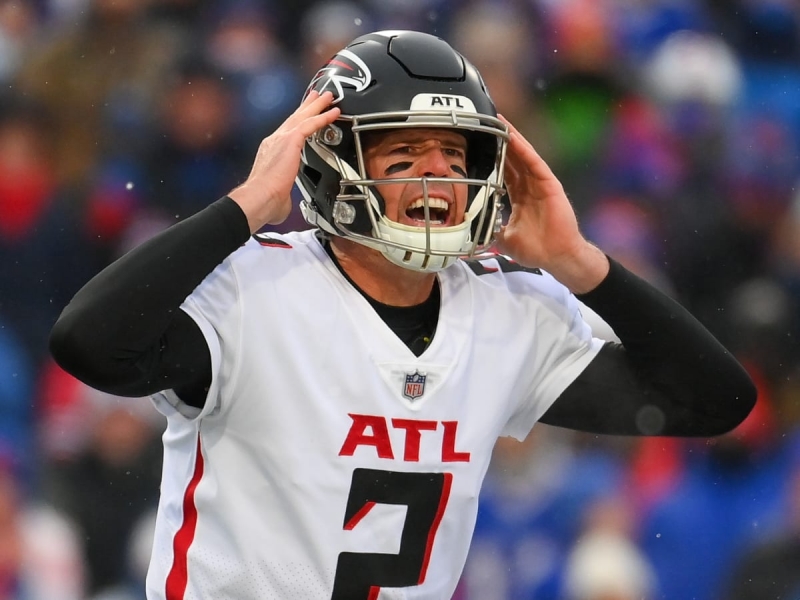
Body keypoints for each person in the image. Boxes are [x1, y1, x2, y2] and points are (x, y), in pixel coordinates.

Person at [49, 30, 756, 600]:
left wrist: (580, 263)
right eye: (406, 151)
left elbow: (712, 402)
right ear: (330, 162)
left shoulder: (505, 308)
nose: (438, 172)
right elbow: (88, 343)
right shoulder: (254, 288)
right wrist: (245, 207)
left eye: (454, 152)